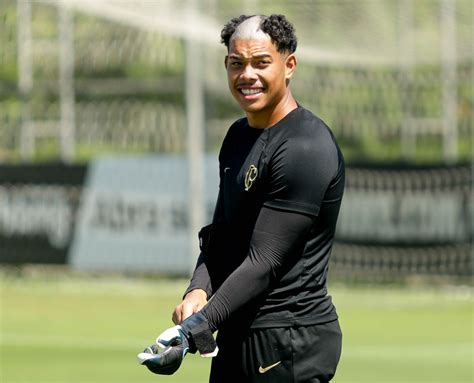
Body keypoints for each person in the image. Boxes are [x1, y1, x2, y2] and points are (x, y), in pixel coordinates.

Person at [138, 14, 345, 383]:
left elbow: (265, 259)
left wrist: (195, 329)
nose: (247, 74)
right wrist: (198, 289)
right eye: (237, 64)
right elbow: (222, 235)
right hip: (237, 333)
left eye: (261, 63)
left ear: (289, 65)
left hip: (288, 338)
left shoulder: (305, 146)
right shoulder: (236, 136)